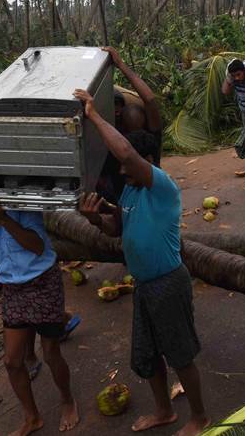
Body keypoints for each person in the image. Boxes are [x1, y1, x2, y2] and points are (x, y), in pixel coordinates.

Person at [74, 88, 209, 436]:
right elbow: (117, 229)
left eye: (127, 164)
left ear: (146, 160)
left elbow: (125, 152)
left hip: (169, 282)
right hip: (144, 285)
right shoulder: (130, 191)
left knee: (180, 355)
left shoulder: (161, 186)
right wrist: (94, 219)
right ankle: (164, 411)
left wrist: (93, 113)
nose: (121, 169)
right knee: (149, 356)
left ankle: (199, 418)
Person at [0, 162, 79, 436]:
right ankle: (32, 417)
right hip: (12, 288)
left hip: (43, 281)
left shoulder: (19, 204)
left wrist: (5, 219)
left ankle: (68, 400)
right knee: (11, 361)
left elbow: (37, 246)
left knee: (51, 352)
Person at [96, 46, 163, 204]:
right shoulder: (113, 137)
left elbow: (149, 100)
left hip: (136, 196)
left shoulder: (147, 142)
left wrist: (121, 64)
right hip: (123, 198)